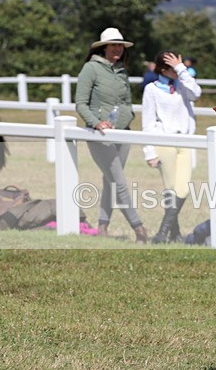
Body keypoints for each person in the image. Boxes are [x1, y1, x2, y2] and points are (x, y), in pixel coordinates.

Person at [75, 27, 148, 243]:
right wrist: (96, 123)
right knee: (119, 181)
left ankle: (102, 226)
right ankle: (139, 228)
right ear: (104, 47)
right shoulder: (90, 68)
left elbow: (125, 101)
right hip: (101, 136)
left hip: (122, 134)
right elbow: (80, 103)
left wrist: (129, 116)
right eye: (114, 45)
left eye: (120, 45)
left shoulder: (121, 71)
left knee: (110, 182)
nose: (117, 49)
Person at [142, 50, 200, 244]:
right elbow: (148, 122)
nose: (177, 71)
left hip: (185, 141)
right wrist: (149, 151)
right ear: (163, 69)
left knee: (182, 189)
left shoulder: (184, 84)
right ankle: (173, 233)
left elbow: (196, 94)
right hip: (164, 142)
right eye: (173, 68)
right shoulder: (151, 89)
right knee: (171, 189)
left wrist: (182, 69)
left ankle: (162, 232)